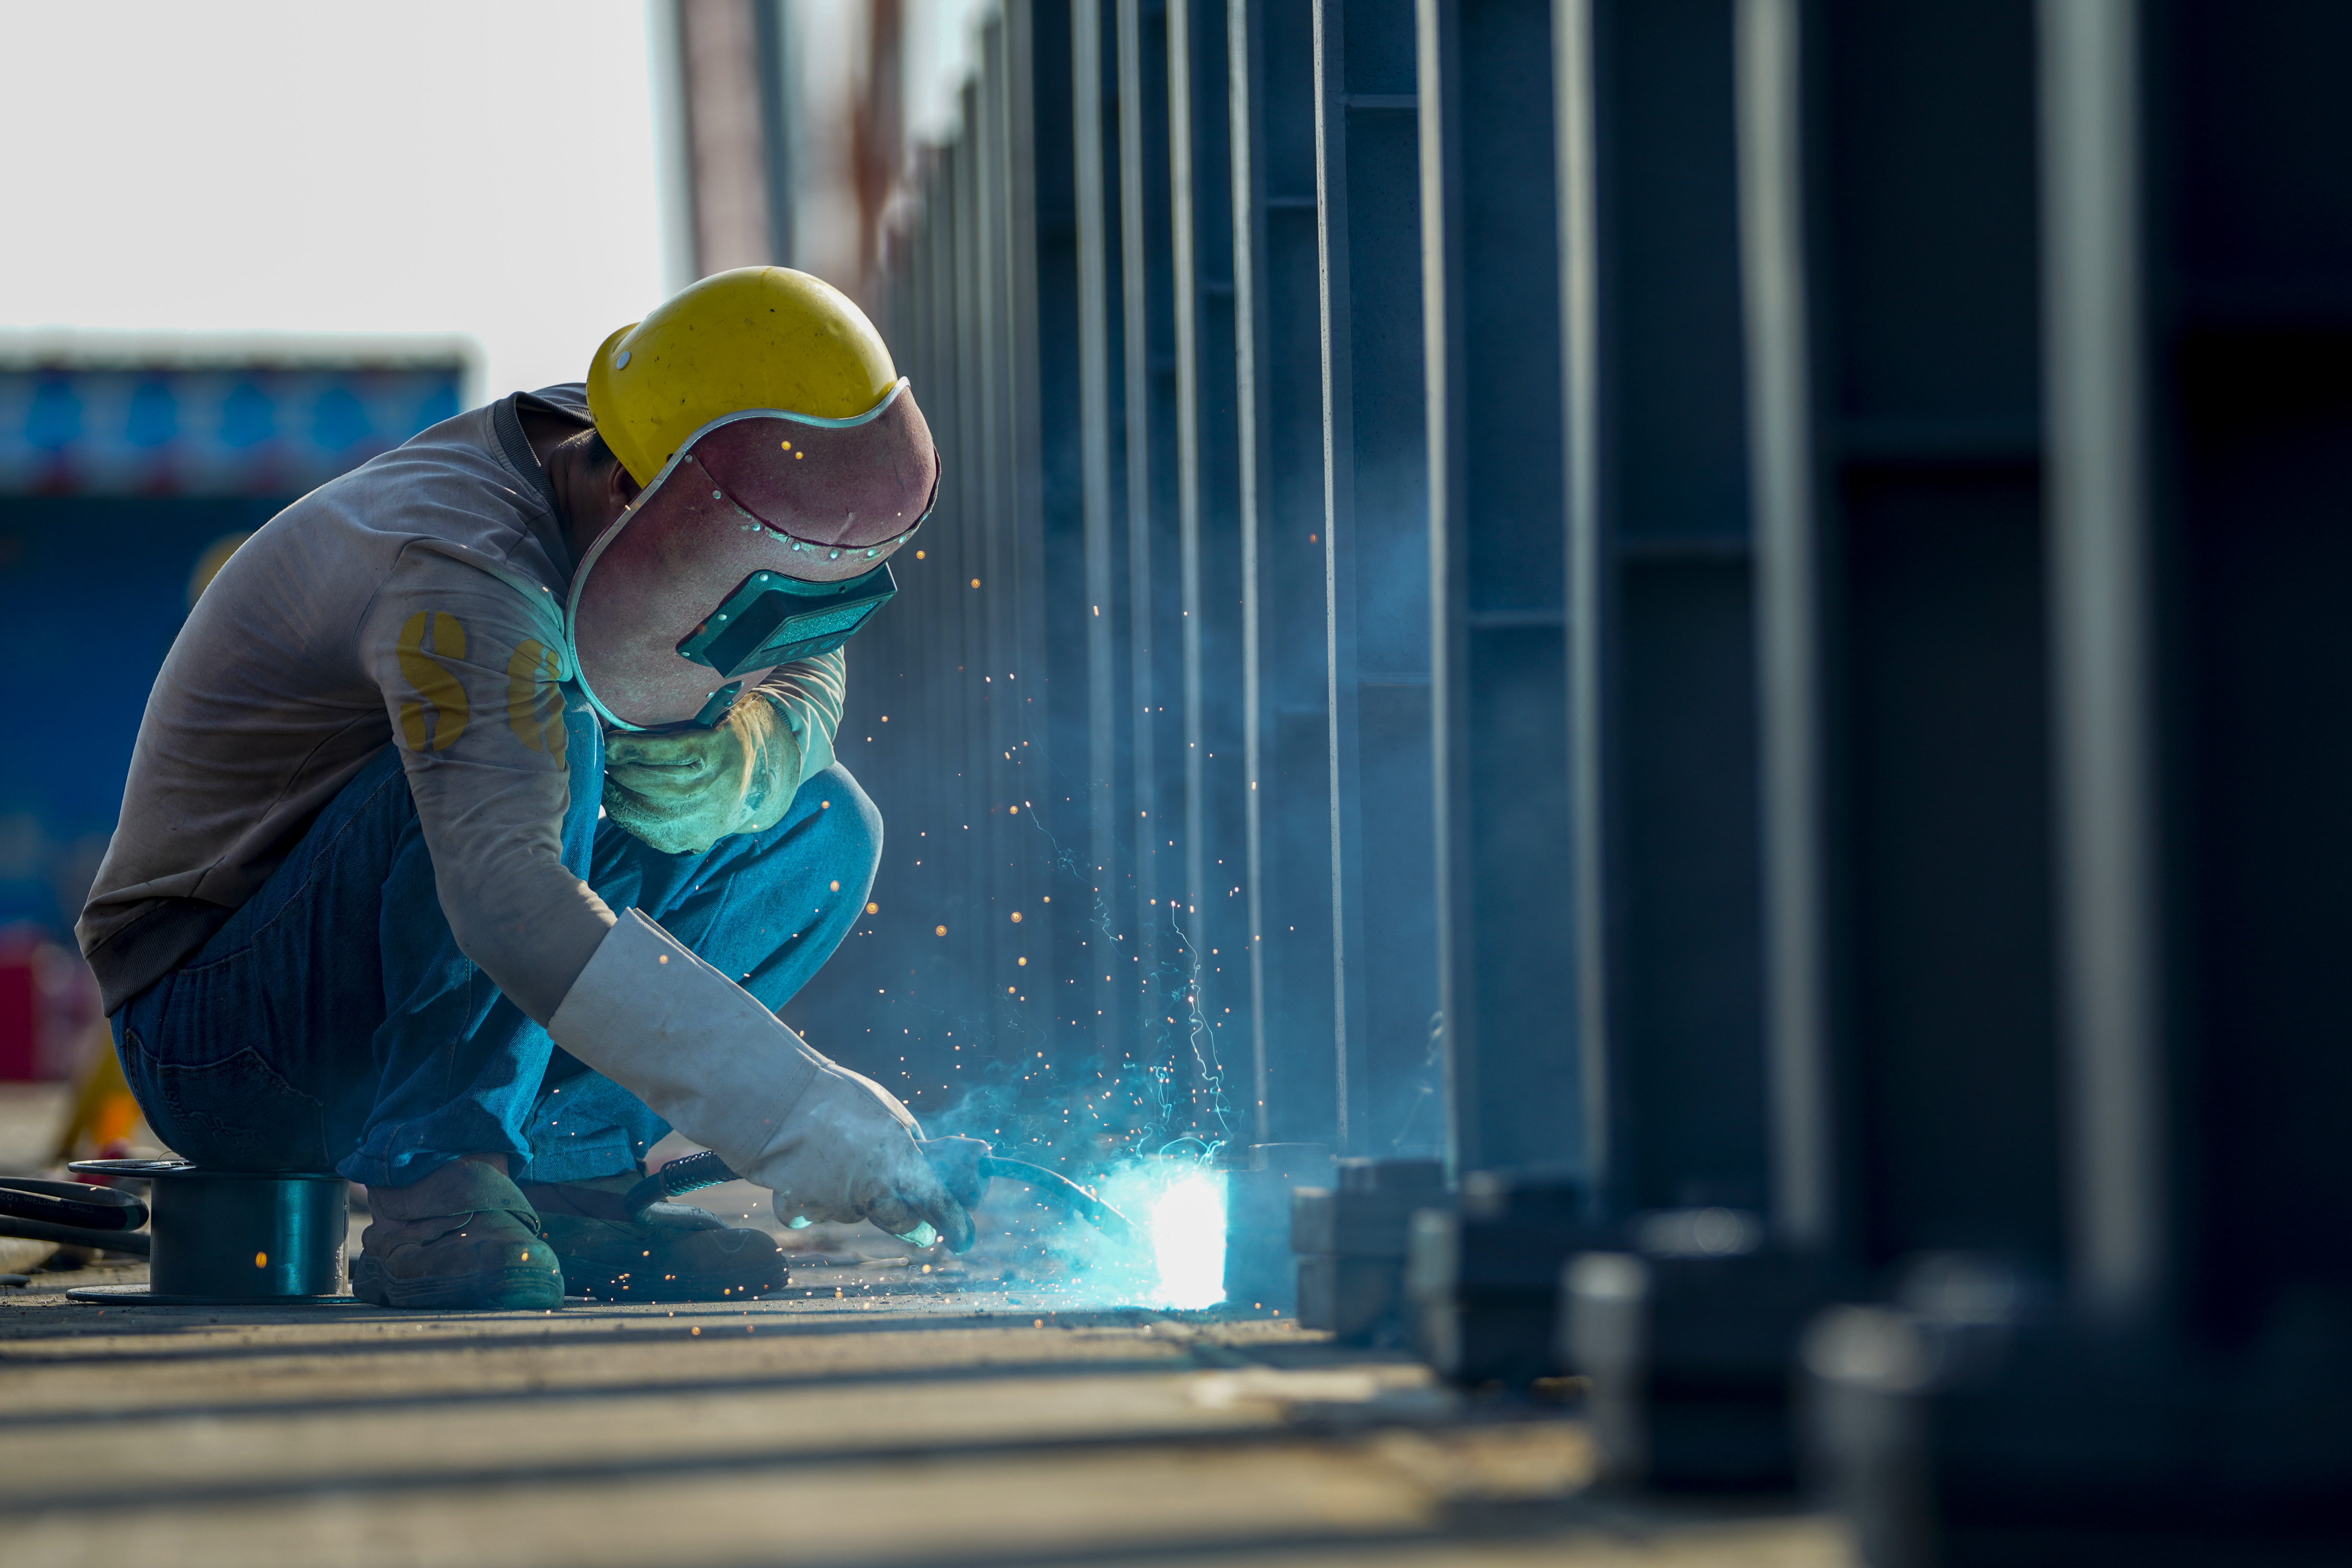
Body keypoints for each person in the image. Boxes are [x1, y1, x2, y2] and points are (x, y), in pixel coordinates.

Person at [77, 268, 983, 1310]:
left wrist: (752, 754)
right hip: (227, 1036)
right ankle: (439, 1185)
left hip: (368, 983)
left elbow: (807, 614)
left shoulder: (661, 457)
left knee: (822, 826)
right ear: (635, 496)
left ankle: (566, 1180)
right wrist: (799, 1117)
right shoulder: (464, 564)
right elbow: (508, 899)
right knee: (551, 745)